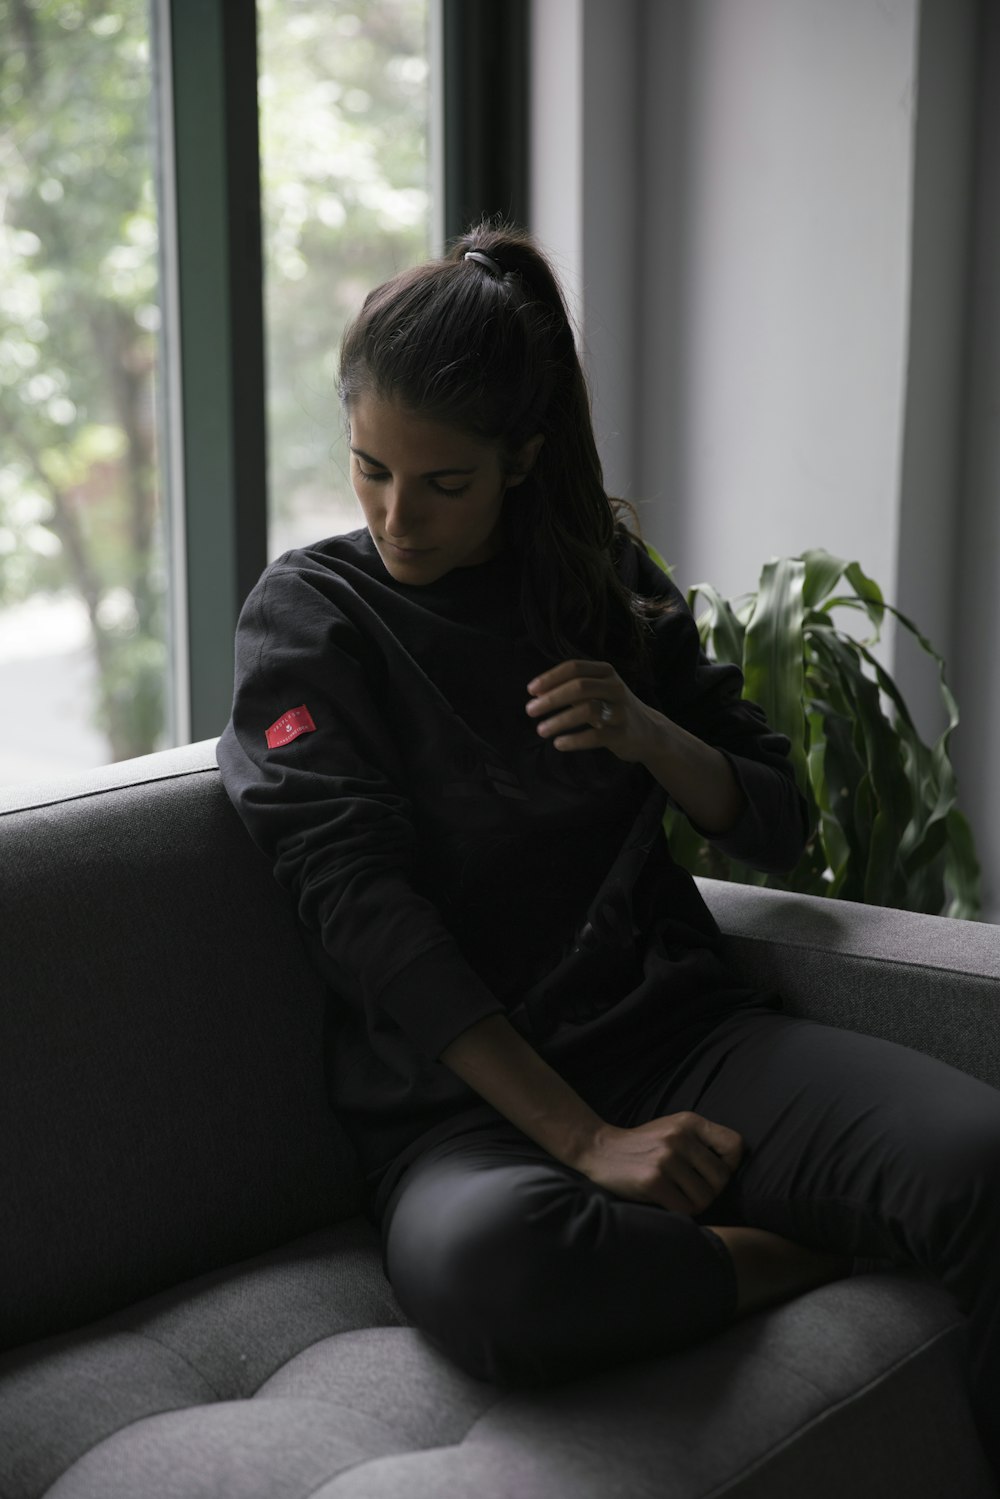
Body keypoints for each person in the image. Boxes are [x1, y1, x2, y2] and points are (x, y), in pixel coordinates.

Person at [217, 223, 1000, 1472]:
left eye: (443, 482)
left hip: (684, 1041)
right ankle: (805, 1248)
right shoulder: (312, 618)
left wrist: (647, 734)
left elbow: (780, 817)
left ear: (521, 460)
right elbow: (358, 908)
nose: (396, 516)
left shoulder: (595, 583)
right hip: (462, 1114)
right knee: (498, 1276)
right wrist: (586, 1141)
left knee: (980, 1159)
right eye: (369, 470)